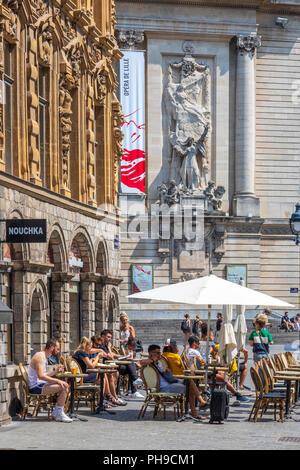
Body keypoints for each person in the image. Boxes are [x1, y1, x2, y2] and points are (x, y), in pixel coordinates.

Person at [186, 336, 249, 402]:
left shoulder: (189, 350)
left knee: (222, 373)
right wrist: (206, 360)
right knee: (222, 378)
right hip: (201, 374)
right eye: (198, 343)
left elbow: (202, 361)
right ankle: (237, 394)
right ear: (194, 343)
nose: (199, 345)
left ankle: (226, 390)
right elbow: (202, 361)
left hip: (200, 372)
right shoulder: (194, 352)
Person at [27, 338, 72, 422]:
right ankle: (59, 413)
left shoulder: (43, 356)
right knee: (64, 386)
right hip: (36, 387)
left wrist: (55, 372)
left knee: (64, 385)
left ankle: (56, 412)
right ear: (52, 347)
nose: (58, 351)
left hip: (40, 384)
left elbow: (43, 375)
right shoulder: (40, 357)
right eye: (57, 349)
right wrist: (58, 381)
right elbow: (40, 376)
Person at [163, 341, 208, 420]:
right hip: (178, 377)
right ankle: (200, 402)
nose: (177, 347)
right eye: (176, 346)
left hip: (172, 378)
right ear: (172, 347)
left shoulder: (163, 355)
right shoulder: (174, 356)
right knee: (190, 382)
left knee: (190, 384)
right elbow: (182, 368)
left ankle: (197, 407)